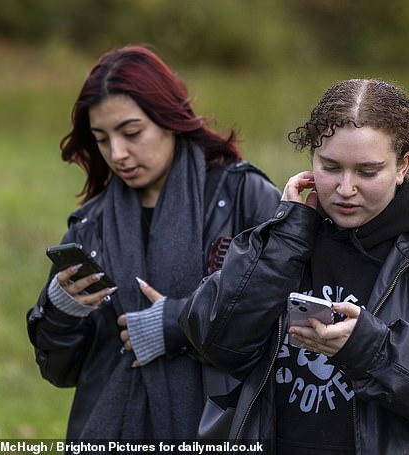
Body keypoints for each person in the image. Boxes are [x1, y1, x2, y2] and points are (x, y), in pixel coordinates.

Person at [176, 78, 409, 453]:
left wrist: (371, 350)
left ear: (403, 166)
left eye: (367, 172)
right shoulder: (280, 240)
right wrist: (285, 239)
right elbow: (215, 339)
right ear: (310, 161)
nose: (345, 188)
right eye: (330, 167)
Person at [26, 45, 280, 440]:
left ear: (171, 119)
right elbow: (62, 371)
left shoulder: (245, 198)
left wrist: (178, 325)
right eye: (102, 139)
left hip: (220, 435)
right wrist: (60, 311)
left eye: (131, 133)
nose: (117, 154)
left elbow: (278, 321)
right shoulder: (90, 226)